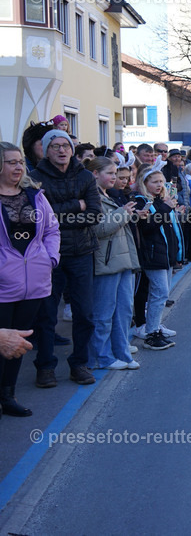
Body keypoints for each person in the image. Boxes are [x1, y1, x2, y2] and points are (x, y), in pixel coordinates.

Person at [29, 130, 101, 387]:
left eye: (66, 146)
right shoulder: (35, 178)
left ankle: (79, 363)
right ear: (46, 150)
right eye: (55, 146)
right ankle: (45, 366)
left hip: (81, 253)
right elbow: (38, 217)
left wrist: (59, 214)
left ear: (72, 150)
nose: (62, 150)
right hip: (49, 256)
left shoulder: (84, 176)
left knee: (85, 313)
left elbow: (94, 214)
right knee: (47, 314)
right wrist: (76, 205)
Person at [0, 143, 60, 417]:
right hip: (3, 285)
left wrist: (49, 259)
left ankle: (7, 396)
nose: (18, 167)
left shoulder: (35, 196)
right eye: (11, 162)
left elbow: (51, 229)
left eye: (20, 162)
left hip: (35, 282)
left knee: (20, 343)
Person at [85, 157, 140, 370]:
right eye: (110, 173)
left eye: (115, 173)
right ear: (95, 174)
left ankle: (121, 353)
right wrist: (122, 213)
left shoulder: (107, 195)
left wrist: (127, 213)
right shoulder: (91, 198)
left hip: (122, 259)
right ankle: (100, 357)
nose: (114, 177)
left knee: (124, 311)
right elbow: (99, 230)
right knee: (104, 314)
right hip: (106, 261)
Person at [133, 167, 179, 350]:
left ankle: (155, 326)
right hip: (152, 254)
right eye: (155, 182)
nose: (159, 185)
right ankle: (151, 333)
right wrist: (166, 208)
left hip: (164, 254)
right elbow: (147, 226)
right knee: (158, 293)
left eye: (161, 181)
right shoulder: (140, 201)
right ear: (144, 184)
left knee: (162, 293)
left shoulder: (161, 201)